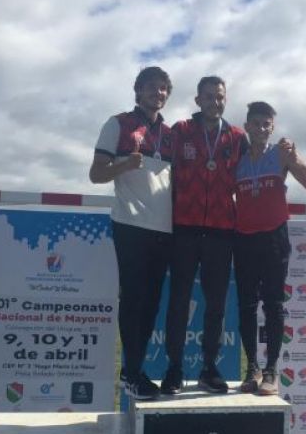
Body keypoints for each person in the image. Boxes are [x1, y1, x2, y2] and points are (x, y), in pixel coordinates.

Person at [89, 66, 173, 400]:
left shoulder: (171, 133)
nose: (159, 93)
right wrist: (124, 165)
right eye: (152, 87)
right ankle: (132, 372)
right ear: (137, 91)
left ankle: (135, 371)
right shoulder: (118, 123)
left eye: (164, 89)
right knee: (134, 300)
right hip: (130, 224)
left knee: (151, 304)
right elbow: (96, 174)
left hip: (164, 229)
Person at [161, 76, 248, 395]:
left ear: (226, 99)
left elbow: (251, 174)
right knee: (179, 302)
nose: (215, 101)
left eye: (220, 96)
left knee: (216, 305)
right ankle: (174, 369)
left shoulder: (238, 137)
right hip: (184, 228)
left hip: (222, 231)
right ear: (198, 100)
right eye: (209, 96)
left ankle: (209, 368)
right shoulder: (180, 130)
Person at [234, 101, 306, 396]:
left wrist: (297, 161)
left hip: (274, 237)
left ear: (272, 127)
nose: (261, 128)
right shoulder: (238, 159)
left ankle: (271, 370)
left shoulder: (281, 154)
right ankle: (252, 368)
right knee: (246, 305)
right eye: (256, 123)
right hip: (244, 238)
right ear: (246, 126)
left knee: (273, 304)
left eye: (266, 124)